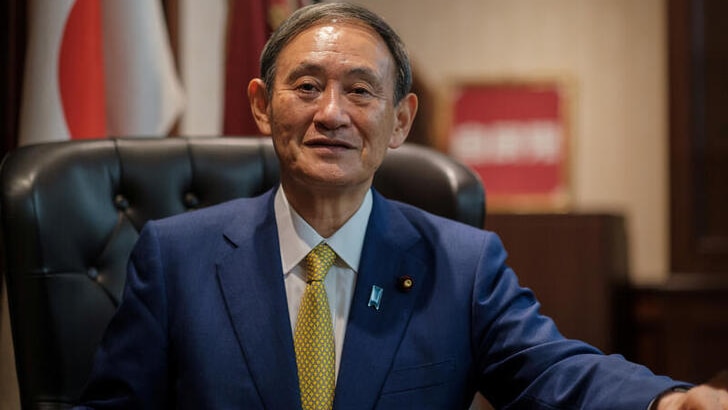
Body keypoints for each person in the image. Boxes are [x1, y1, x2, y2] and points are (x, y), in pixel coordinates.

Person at [75, 2, 728, 409]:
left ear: (400, 121)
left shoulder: (463, 265)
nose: (331, 113)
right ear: (260, 105)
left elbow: (557, 375)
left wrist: (666, 402)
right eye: (306, 86)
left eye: (361, 91)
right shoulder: (176, 256)